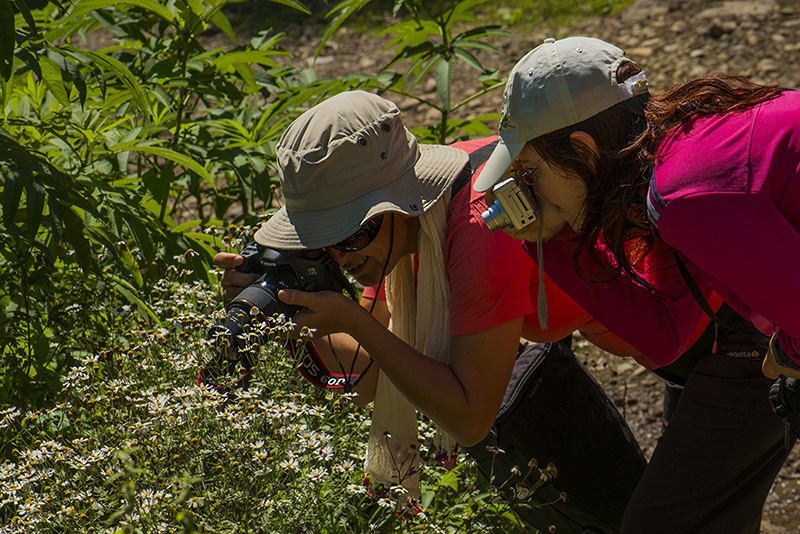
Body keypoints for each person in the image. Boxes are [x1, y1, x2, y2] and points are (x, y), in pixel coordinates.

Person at [213, 90, 653, 527]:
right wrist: (288, 316)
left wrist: (351, 321)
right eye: (321, 241)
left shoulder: (479, 223)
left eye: (349, 235)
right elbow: (370, 379)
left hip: (700, 334)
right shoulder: (404, 228)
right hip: (654, 339)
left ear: (401, 201)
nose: (341, 257)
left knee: (664, 520)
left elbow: (469, 418)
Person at [474, 35, 798, 533]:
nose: (527, 189)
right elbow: (666, 334)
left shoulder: (683, 193)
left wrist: (788, 357)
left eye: (531, 171)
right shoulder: (672, 155)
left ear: (581, 150)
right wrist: (552, 239)